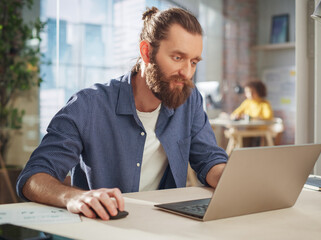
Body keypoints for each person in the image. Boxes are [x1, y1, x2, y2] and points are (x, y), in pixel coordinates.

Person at [16, 7, 227, 221]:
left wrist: (234, 179)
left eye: (193, 62)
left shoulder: (189, 100)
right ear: (146, 52)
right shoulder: (88, 105)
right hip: (102, 228)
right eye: (177, 57)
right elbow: (33, 178)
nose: (187, 73)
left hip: (166, 226)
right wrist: (74, 197)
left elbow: (210, 160)